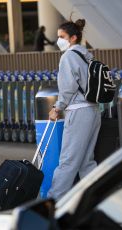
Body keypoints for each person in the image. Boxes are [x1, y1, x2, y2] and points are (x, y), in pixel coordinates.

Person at [47, 18, 101, 200]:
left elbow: (68, 87)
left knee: (68, 160)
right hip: (93, 110)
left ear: (73, 38)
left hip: (78, 111)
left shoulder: (68, 57)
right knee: (86, 161)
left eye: (62, 37)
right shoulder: (86, 55)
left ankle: (52, 202)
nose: (58, 40)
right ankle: (96, 199)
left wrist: (57, 107)